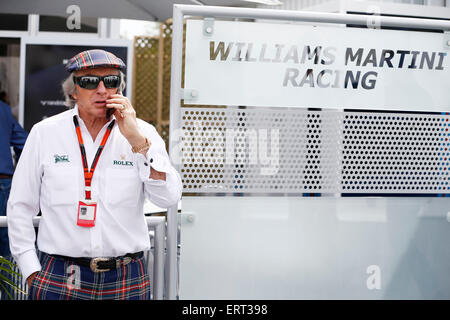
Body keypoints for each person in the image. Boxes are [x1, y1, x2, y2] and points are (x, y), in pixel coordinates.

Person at [7, 49, 182, 300]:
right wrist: (31, 270)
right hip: (59, 274)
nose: (102, 89)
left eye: (110, 81)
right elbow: (20, 206)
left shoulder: (142, 133)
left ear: (119, 89)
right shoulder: (44, 133)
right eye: (90, 81)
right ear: (73, 91)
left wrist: (138, 142)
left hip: (125, 275)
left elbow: (169, 197)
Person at [0, 100, 28, 299]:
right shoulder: (2, 108)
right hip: (4, 182)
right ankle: (10, 296)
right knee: (6, 248)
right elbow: (24, 144)